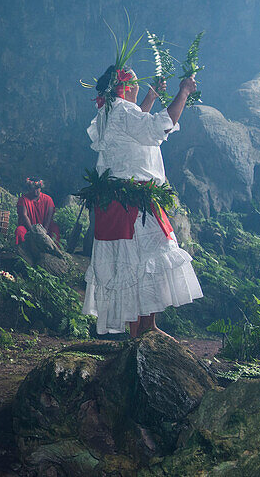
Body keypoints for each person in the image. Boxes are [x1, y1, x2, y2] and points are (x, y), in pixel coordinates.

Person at [82, 68, 203, 338]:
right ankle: (142, 329)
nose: (138, 85)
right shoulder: (123, 112)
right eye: (135, 82)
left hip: (119, 205)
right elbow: (156, 127)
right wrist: (183, 92)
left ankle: (145, 327)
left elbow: (135, 128)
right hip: (133, 206)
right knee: (146, 261)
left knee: (135, 265)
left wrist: (151, 96)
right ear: (124, 87)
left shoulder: (110, 112)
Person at [16, 177, 60, 245]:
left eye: (37, 189)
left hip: (45, 229)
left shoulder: (48, 199)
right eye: (32, 189)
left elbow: (49, 217)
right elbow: (24, 216)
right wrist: (32, 232)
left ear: (40, 188)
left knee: (55, 230)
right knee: (20, 230)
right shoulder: (23, 200)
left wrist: (44, 232)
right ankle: (23, 251)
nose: (35, 191)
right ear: (29, 189)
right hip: (29, 229)